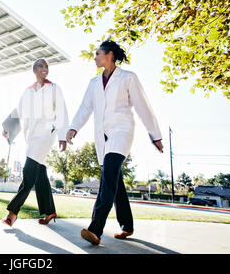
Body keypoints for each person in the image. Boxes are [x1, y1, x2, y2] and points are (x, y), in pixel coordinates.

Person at [66, 40, 163, 245]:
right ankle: (127, 225)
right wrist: (73, 128)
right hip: (102, 136)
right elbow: (85, 108)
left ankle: (95, 229)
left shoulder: (128, 78)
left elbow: (143, 106)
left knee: (108, 176)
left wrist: (155, 134)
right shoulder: (93, 83)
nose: (95, 57)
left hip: (122, 131)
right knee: (115, 182)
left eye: (98, 53)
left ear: (110, 55)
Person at [2, 58, 69, 227]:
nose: (44, 68)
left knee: (29, 171)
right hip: (31, 136)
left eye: (46, 66)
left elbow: (61, 110)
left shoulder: (54, 88)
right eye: (41, 66)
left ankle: (13, 212)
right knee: (40, 174)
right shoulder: (27, 92)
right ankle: (49, 210)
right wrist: (8, 129)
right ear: (34, 70)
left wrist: (63, 135)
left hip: (47, 133)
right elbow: (18, 112)